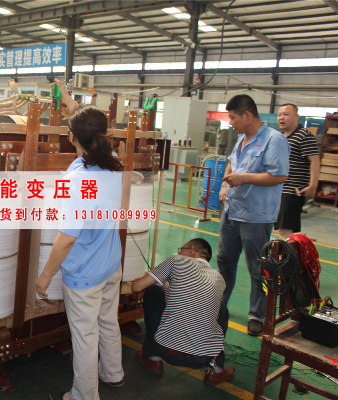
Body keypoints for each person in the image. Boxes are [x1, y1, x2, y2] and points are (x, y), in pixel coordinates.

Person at [36, 79, 124, 400]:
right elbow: (90, 127)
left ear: (71, 137)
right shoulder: (111, 159)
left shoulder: (77, 179)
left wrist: (46, 274)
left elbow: (67, 237)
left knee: (85, 335)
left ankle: (84, 395)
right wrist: (69, 101)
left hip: (85, 271)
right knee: (108, 320)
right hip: (111, 263)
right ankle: (113, 373)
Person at [218, 95, 290, 336]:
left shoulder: (274, 140)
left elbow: (279, 176)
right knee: (225, 262)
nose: (231, 123)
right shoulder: (241, 139)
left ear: (247, 115)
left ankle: (257, 315)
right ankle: (219, 306)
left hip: (256, 216)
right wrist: (225, 186)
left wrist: (244, 178)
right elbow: (232, 163)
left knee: (258, 268)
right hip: (232, 211)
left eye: (233, 118)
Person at [131, 238, 234, 386]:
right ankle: (216, 369)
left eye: (181, 249)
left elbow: (136, 287)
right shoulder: (218, 278)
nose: (179, 252)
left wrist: (147, 283)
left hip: (168, 350)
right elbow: (182, 298)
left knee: (153, 290)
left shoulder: (176, 261)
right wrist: (163, 284)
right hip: (204, 357)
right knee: (220, 308)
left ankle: (153, 357)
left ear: (191, 251)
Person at [275, 104, 320, 239]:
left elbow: (315, 161)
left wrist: (313, 186)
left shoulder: (304, 135)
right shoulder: (279, 136)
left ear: (296, 117)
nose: (281, 118)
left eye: (286, 114)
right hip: (279, 187)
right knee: (286, 229)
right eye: (279, 115)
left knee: (285, 229)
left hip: (293, 189)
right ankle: (294, 250)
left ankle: (287, 252)